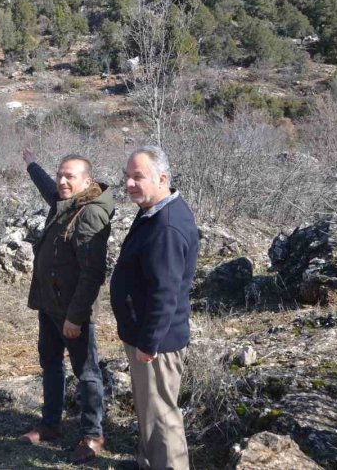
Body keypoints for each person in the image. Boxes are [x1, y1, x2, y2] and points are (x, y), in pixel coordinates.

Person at [19, 148, 115, 464]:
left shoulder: (89, 214)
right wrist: (32, 164)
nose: (62, 181)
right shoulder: (67, 202)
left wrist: (75, 317)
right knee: (50, 363)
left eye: (69, 176)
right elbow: (49, 189)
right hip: (50, 304)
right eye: (60, 174)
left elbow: (92, 273)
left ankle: (92, 435)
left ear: (87, 182)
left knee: (86, 373)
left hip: (73, 312)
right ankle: (51, 424)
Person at [110, 146, 198, 470]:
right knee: (149, 409)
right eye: (127, 176)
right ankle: (147, 463)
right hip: (145, 334)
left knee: (162, 416)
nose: (129, 184)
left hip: (157, 342)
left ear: (162, 179)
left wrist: (148, 342)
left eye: (138, 177)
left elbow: (165, 293)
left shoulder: (167, 226)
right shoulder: (153, 210)